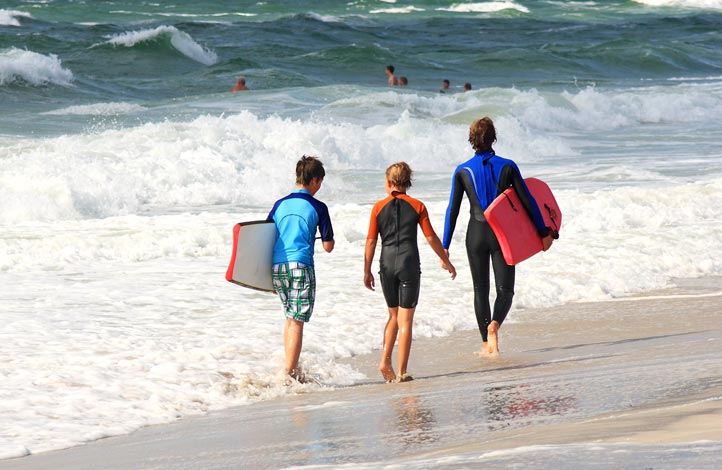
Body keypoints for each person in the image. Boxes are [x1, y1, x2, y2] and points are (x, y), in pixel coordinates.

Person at [442, 117, 554, 356]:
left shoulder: (462, 171)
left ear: (471, 140)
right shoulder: (508, 166)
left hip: (475, 235)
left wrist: (445, 245)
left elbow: (453, 209)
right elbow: (528, 201)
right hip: (503, 235)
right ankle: (494, 325)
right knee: (505, 290)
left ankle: (486, 344)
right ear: (494, 137)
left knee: (480, 290)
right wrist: (544, 232)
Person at [364, 162, 456, 383]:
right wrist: (446, 261)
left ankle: (385, 360)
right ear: (408, 182)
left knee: (393, 316)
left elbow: (370, 241)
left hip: (386, 264)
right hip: (409, 264)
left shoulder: (377, 207)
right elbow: (431, 237)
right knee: (405, 321)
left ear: (388, 183)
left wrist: (366, 270)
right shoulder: (418, 206)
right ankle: (402, 372)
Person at [267, 155, 335, 381]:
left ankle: (290, 366)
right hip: (301, 266)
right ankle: (290, 372)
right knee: (297, 321)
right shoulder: (318, 206)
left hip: (277, 267)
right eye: (320, 182)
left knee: (289, 317)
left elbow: (265, 236)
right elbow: (328, 246)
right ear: (315, 180)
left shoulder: (279, 204)